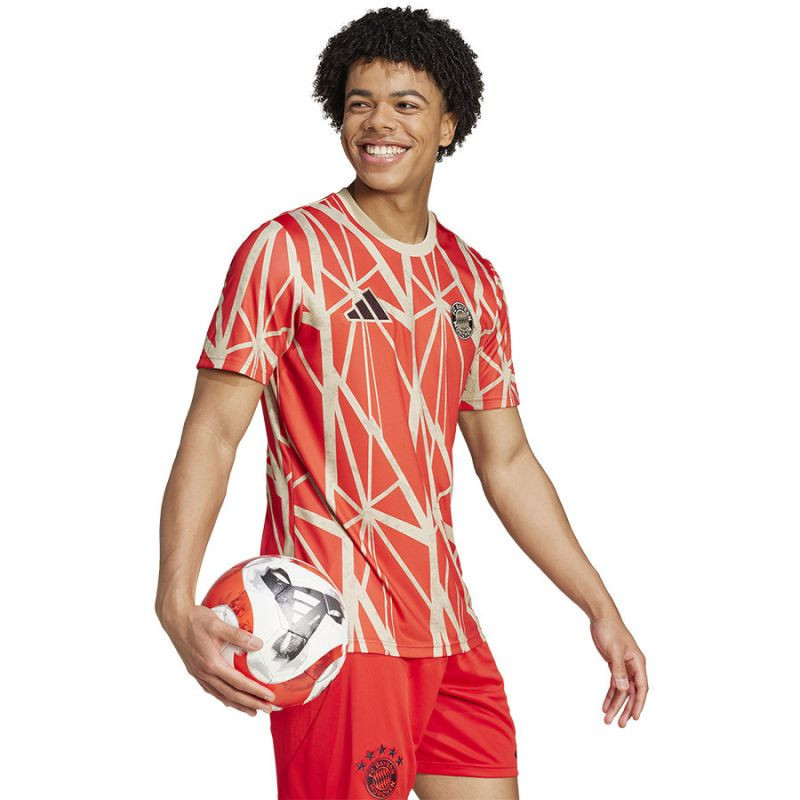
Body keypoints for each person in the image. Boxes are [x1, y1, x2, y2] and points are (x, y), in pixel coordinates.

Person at [156, 7, 649, 799]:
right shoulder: (287, 250)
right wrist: (173, 601)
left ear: (448, 125)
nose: (379, 122)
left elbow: (507, 460)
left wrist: (600, 606)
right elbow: (213, 433)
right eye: (360, 103)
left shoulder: (473, 279)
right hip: (335, 629)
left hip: (448, 626)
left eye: (406, 104)